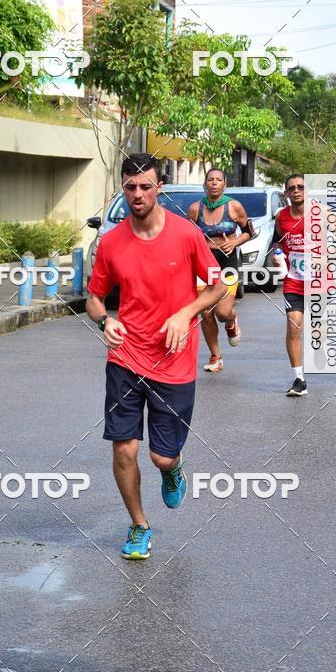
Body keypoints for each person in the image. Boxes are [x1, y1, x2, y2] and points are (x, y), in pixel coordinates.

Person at [86, 153, 226, 560]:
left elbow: (217, 285)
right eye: (130, 187)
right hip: (126, 357)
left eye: (145, 186)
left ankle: (173, 468)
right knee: (123, 448)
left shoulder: (185, 235)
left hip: (175, 360)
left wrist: (185, 313)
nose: (137, 194)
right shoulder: (112, 242)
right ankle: (138, 525)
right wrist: (104, 322)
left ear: (158, 187)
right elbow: (94, 298)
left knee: (160, 455)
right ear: (123, 189)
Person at [273, 174, 336, 397]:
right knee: (293, 326)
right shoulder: (281, 217)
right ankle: (299, 379)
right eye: (292, 188)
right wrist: (277, 255)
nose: (296, 190)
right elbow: (278, 241)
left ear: (305, 190)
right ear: (286, 192)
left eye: (300, 187)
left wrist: (327, 256)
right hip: (294, 281)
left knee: (318, 332)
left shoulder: (321, 213)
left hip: (320, 281)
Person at [187, 168, 254, 372]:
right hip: (204, 264)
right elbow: (187, 237)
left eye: (218, 180)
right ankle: (216, 357)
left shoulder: (234, 206)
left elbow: (249, 231)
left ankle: (232, 320)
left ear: (225, 184)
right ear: (205, 184)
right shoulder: (195, 209)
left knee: (222, 313)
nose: (214, 183)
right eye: (210, 179)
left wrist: (234, 242)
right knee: (206, 311)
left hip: (227, 262)